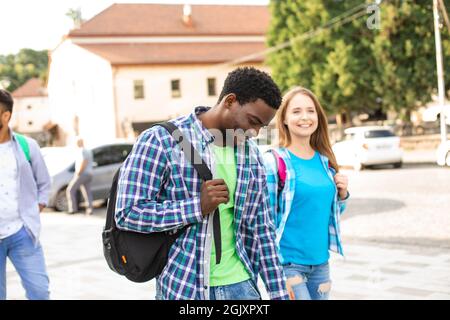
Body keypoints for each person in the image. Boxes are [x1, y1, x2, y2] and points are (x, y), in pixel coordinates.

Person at [115, 67, 289, 300]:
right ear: (230, 101)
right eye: (253, 121)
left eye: (261, 127)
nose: (255, 133)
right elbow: (127, 213)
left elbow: (261, 230)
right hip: (184, 288)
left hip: (242, 287)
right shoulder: (162, 140)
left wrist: (279, 293)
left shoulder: (251, 155)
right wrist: (197, 206)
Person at [263, 86, 349, 300]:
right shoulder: (274, 162)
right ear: (283, 119)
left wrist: (343, 194)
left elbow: (328, 210)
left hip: (321, 264)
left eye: (310, 111)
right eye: (296, 111)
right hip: (288, 265)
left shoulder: (325, 161)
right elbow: (264, 219)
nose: (305, 117)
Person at [0, 89, 51, 300]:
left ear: (6, 115)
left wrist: (32, 211)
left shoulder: (26, 146)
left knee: (39, 291)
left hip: (22, 233)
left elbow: (44, 184)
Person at [66, 137, 94, 215]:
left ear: (79, 142)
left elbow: (84, 162)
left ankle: (72, 209)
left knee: (70, 189)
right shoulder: (88, 151)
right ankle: (90, 209)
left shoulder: (82, 151)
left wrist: (78, 173)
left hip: (83, 173)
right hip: (89, 173)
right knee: (87, 192)